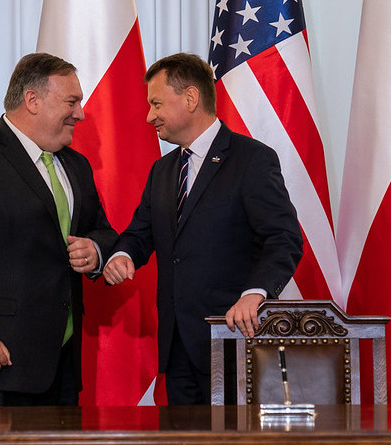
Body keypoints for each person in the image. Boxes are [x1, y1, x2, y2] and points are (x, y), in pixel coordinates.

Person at [103, 53, 303, 405]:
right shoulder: (163, 171)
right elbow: (140, 233)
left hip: (234, 340)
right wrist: (122, 255)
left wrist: (254, 293)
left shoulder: (251, 159)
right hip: (177, 347)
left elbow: (283, 238)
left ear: (191, 98)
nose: (150, 116)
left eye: (156, 103)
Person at [0, 53, 117, 406]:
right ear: (32, 100)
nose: (81, 113)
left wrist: (96, 250)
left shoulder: (76, 165)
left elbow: (100, 231)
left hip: (60, 367)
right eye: (72, 101)